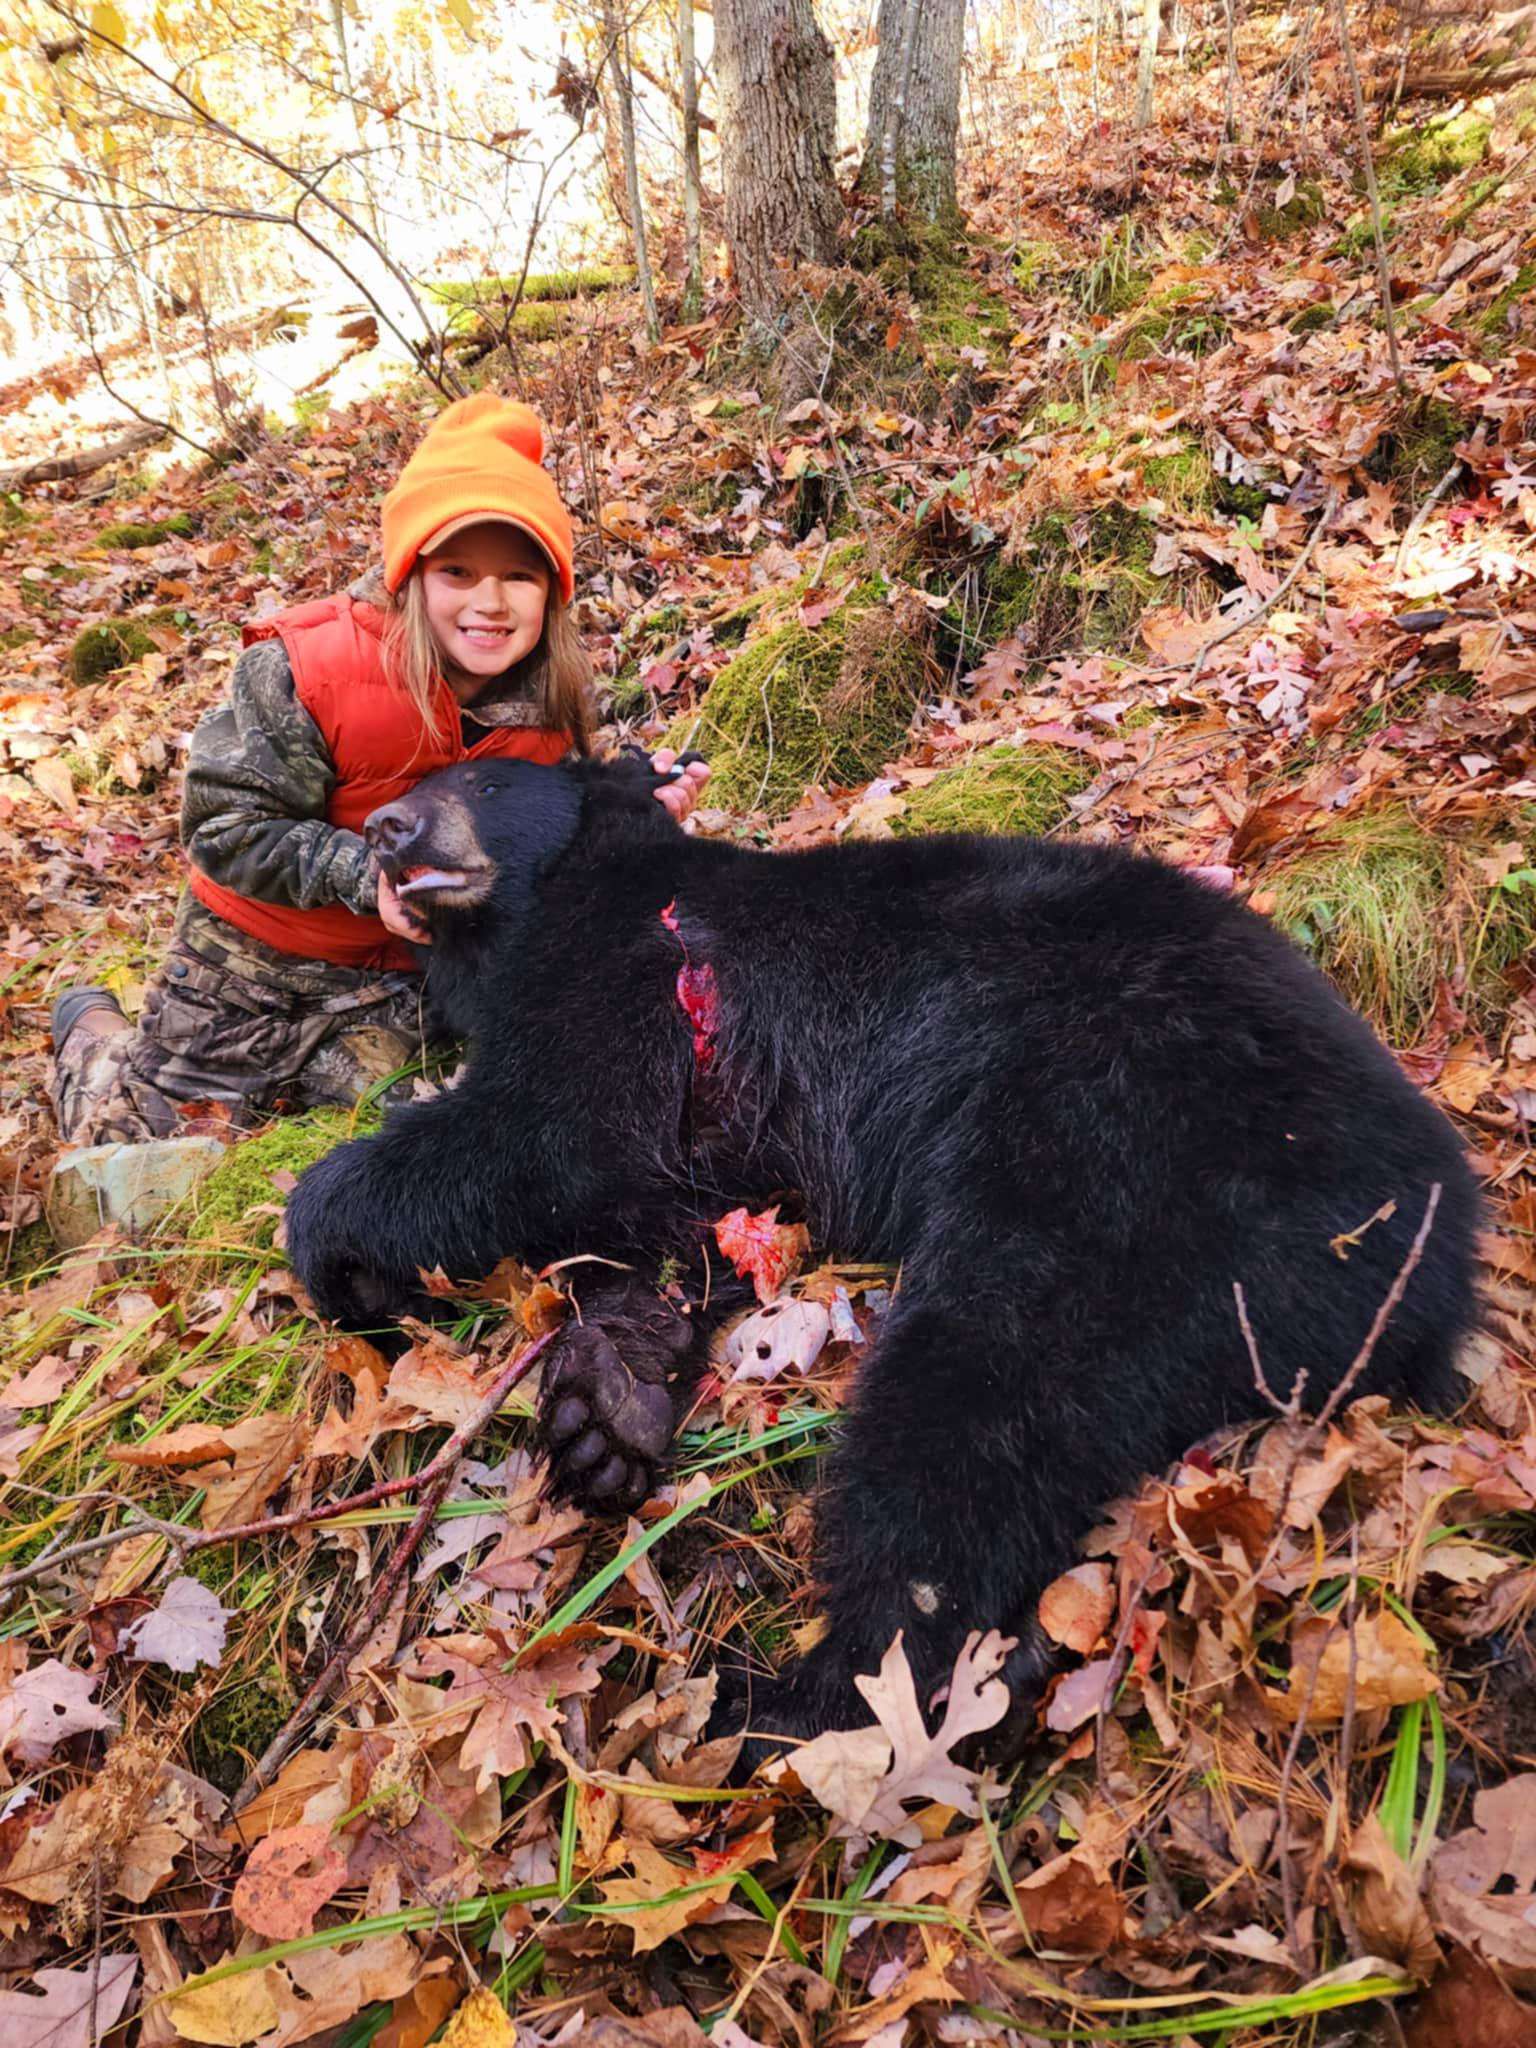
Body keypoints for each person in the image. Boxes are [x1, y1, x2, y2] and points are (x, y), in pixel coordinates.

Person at [50, 394, 709, 1158]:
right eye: (458, 570)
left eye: (520, 576)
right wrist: (371, 878)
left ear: (551, 592)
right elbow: (223, 829)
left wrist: (638, 808)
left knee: (404, 1126)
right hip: (249, 968)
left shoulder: (546, 700)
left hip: (406, 985)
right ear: (411, 574)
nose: (489, 603)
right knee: (134, 1154)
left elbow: (544, 840)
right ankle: (90, 1033)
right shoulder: (305, 669)